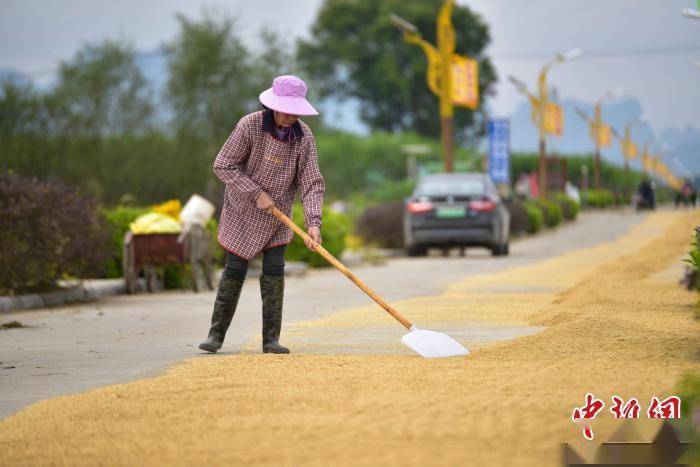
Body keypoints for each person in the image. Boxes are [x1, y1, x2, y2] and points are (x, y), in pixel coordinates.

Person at [199, 75, 325, 354]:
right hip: (243, 208)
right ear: (274, 106)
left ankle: (271, 340)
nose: (291, 117)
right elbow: (223, 165)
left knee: (274, 270)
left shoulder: (304, 138)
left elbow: (312, 182)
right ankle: (215, 336)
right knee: (235, 268)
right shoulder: (249, 125)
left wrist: (313, 223)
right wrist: (256, 193)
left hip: (279, 213)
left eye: (296, 112)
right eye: (286, 110)